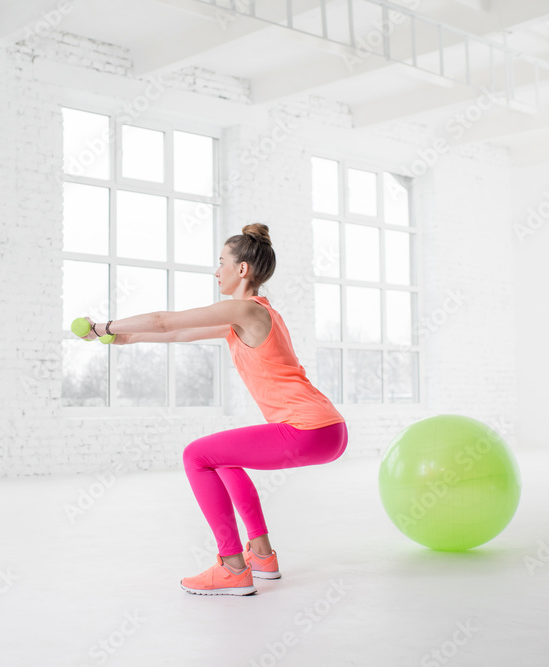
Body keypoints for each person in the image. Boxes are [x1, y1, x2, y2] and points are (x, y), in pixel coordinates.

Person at [77, 223, 348, 596]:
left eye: (221, 262)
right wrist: (124, 337)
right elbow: (173, 333)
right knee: (221, 458)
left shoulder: (245, 310)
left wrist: (103, 324)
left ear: (242, 270)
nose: (215, 270)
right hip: (327, 429)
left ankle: (233, 567)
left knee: (196, 455)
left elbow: (164, 319)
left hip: (308, 429)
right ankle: (262, 557)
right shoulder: (246, 317)